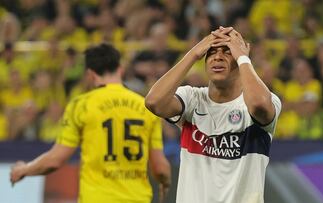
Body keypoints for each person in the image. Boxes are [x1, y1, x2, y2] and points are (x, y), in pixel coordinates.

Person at [10, 43, 171, 203]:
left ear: (90, 74)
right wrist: (165, 183)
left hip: (97, 198)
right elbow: (160, 168)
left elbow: (55, 160)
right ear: (120, 69)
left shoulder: (81, 105)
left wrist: (24, 169)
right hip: (137, 198)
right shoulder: (145, 107)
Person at [145, 26, 282, 203]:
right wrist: (193, 53)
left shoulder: (263, 100)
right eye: (211, 51)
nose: (217, 57)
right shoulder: (192, 99)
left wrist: (242, 57)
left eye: (227, 51)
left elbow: (259, 105)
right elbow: (153, 102)